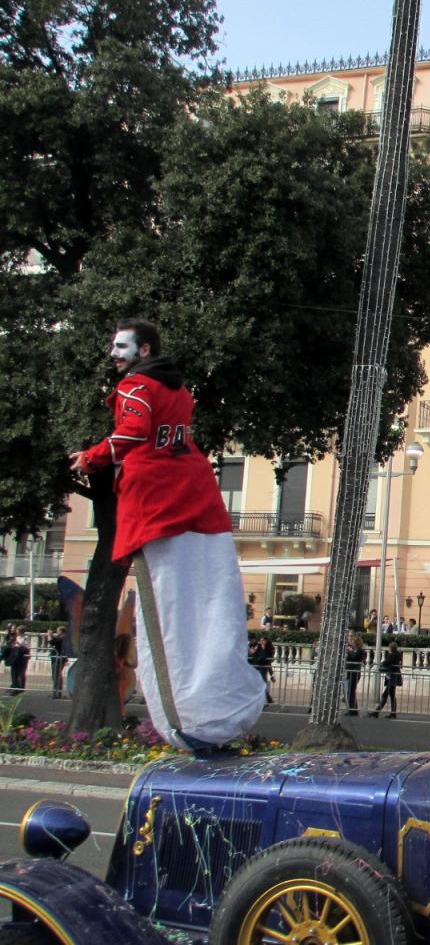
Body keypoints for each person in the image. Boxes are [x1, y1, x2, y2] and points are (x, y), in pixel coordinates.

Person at [67, 319, 265, 751]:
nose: (112, 354)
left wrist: (93, 456)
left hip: (155, 499)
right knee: (210, 600)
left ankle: (187, 713)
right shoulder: (177, 389)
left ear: (144, 351)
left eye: (121, 346)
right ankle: (216, 702)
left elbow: (134, 432)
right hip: (196, 491)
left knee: (165, 606)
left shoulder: (136, 386)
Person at [369, 641, 403, 718]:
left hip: (392, 677)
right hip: (393, 677)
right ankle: (392, 713)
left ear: (391, 648)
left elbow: (386, 662)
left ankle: (377, 712)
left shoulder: (392, 655)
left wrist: (382, 663)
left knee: (385, 695)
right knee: (392, 695)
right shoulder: (396, 655)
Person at [249, 636, 274, 704]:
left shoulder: (268, 650)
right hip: (256, 668)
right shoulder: (258, 648)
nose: (262, 642)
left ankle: (267, 699)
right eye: (261, 640)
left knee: (262, 685)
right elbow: (254, 658)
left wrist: (272, 675)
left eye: (263, 640)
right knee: (257, 685)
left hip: (262, 669)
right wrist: (254, 653)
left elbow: (264, 659)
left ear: (266, 641)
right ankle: (267, 699)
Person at [344, 633, 365, 716]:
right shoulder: (353, 649)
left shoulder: (359, 650)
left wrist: (349, 653)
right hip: (349, 671)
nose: (351, 642)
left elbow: (355, 658)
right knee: (349, 691)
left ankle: (353, 710)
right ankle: (352, 709)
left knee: (351, 691)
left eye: (353, 641)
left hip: (355, 672)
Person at [48, 626, 71, 700]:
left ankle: (57, 693)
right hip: (58, 658)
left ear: (61, 631)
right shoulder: (64, 638)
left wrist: (49, 635)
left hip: (58, 659)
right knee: (57, 676)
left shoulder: (62, 638)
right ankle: (56, 692)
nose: (57, 632)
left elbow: (52, 642)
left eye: (57, 631)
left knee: (56, 676)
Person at [6, 628, 29, 695]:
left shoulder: (26, 637)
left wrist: (19, 643)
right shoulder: (16, 637)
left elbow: (27, 647)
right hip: (15, 656)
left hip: (22, 657)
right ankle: (14, 687)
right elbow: (10, 643)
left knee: (21, 673)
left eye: (18, 631)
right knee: (14, 673)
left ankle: (20, 689)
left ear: (21, 632)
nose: (16, 632)